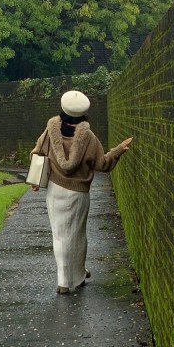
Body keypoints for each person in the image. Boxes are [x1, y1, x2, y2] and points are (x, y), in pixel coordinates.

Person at [30, 90, 133, 295]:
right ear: (83, 113)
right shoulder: (89, 138)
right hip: (78, 193)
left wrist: (34, 179)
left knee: (59, 235)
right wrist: (118, 150)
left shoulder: (50, 132)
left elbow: (37, 153)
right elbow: (102, 164)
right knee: (77, 234)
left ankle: (63, 282)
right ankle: (78, 276)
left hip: (55, 190)